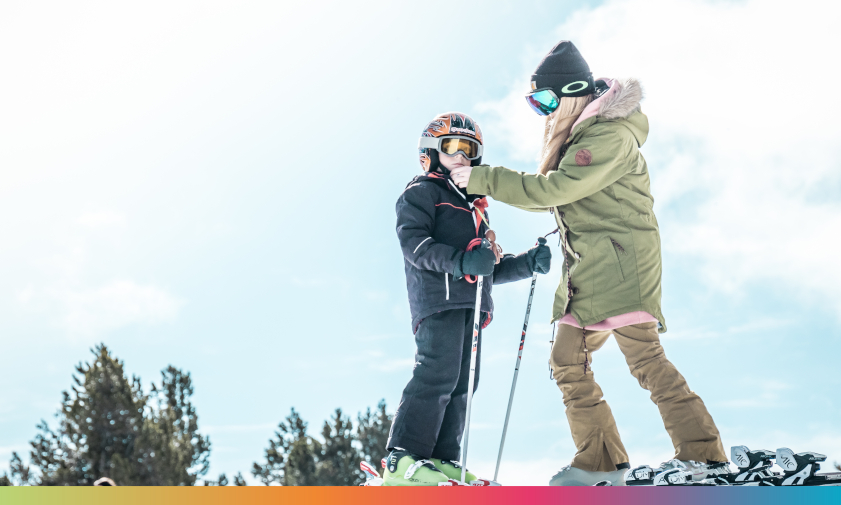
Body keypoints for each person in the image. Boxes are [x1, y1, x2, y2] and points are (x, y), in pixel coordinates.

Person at [450, 41, 728, 486]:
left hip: (622, 268)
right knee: (566, 360)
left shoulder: (606, 137)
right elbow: (555, 196)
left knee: (645, 359)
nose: (542, 111)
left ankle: (704, 457)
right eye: (533, 102)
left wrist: (483, 178)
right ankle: (601, 459)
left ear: (574, 91)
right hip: (586, 273)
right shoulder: (583, 135)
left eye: (545, 100)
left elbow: (552, 191)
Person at [383, 112, 552, 486]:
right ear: (431, 153)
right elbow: (416, 245)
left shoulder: (476, 209)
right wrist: (461, 261)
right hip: (438, 300)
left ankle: (441, 460)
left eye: (468, 149)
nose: (460, 156)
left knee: (463, 382)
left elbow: (487, 265)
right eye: (451, 148)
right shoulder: (422, 193)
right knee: (436, 372)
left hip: (470, 306)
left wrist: (525, 263)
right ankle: (402, 457)